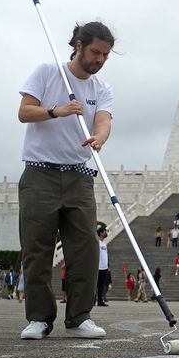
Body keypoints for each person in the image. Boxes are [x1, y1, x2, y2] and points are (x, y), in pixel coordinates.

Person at [17, 20, 114, 340]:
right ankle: (40, 318)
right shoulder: (47, 72)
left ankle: (79, 317)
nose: (99, 60)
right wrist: (56, 111)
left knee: (85, 247)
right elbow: (24, 112)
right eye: (95, 52)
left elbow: (103, 121)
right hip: (39, 173)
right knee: (37, 248)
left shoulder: (101, 89)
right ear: (78, 45)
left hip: (79, 176)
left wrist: (99, 138)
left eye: (105, 55)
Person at [96, 227, 109, 307]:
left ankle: (100, 300)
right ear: (101, 233)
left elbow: (105, 255)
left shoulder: (104, 244)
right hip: (98, 267)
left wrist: (108, 265)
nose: (106, 233)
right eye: (104, 232)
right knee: (95, 285)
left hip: (104, 267)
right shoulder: (97, 243)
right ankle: (93, 300)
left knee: (101, 285)